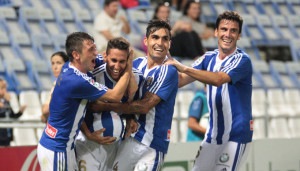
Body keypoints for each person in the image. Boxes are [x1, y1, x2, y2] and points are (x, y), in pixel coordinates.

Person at [165, 11, 253, 170]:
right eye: (224, 29)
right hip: (212, 136)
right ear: (216, 32)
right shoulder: (207, 58)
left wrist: (183, 67)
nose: (228, 34)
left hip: (235, 137)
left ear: (239, 35)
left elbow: (218, 79)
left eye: (233, 30)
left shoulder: (242, 60)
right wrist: (164, 60)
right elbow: (180, 81)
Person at [90, 19, 179, 170]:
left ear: (169, 43)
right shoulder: (137, 64)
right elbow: (128, 97)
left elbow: (143, 106)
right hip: (130, 138)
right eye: (155, 37)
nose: (160, 42)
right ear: (146, 40)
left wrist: (103, 106)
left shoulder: (168, 70)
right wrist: (130, 117)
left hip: (151, 144)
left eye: (165, 39)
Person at [37, 31, 132, 170]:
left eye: (94, 48)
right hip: (57, 150)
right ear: (76, 55)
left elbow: (76, 112)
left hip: (63, 146)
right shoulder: (77, 81)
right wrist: (128, 67)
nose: (95, 53)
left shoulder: (73, 67)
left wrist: (88, 134)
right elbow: (115, 96)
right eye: (91, 50)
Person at [75, 37, 143, 171]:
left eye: (122, 61)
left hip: (115, 146)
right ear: (105, 56)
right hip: (88, 143)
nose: (117, 66)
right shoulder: (92, 74)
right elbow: (77, 108)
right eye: (114, 60)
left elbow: (134, 104)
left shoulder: (136, 77)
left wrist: (131, 117)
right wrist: (88, 134)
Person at [41, 51, 68, 123]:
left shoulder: (64, 84)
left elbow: (45, 110)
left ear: (66, 65)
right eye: (53, 63)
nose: (55, 67)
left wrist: (45, 114)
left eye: (58, 63)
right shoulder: (56, 83)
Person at [0, 79, 26, 146]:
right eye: (2, 88)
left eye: (5, 88)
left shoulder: (6, 102)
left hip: (7, 136)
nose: (5, 90)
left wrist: (20, 112)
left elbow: (12, 116)